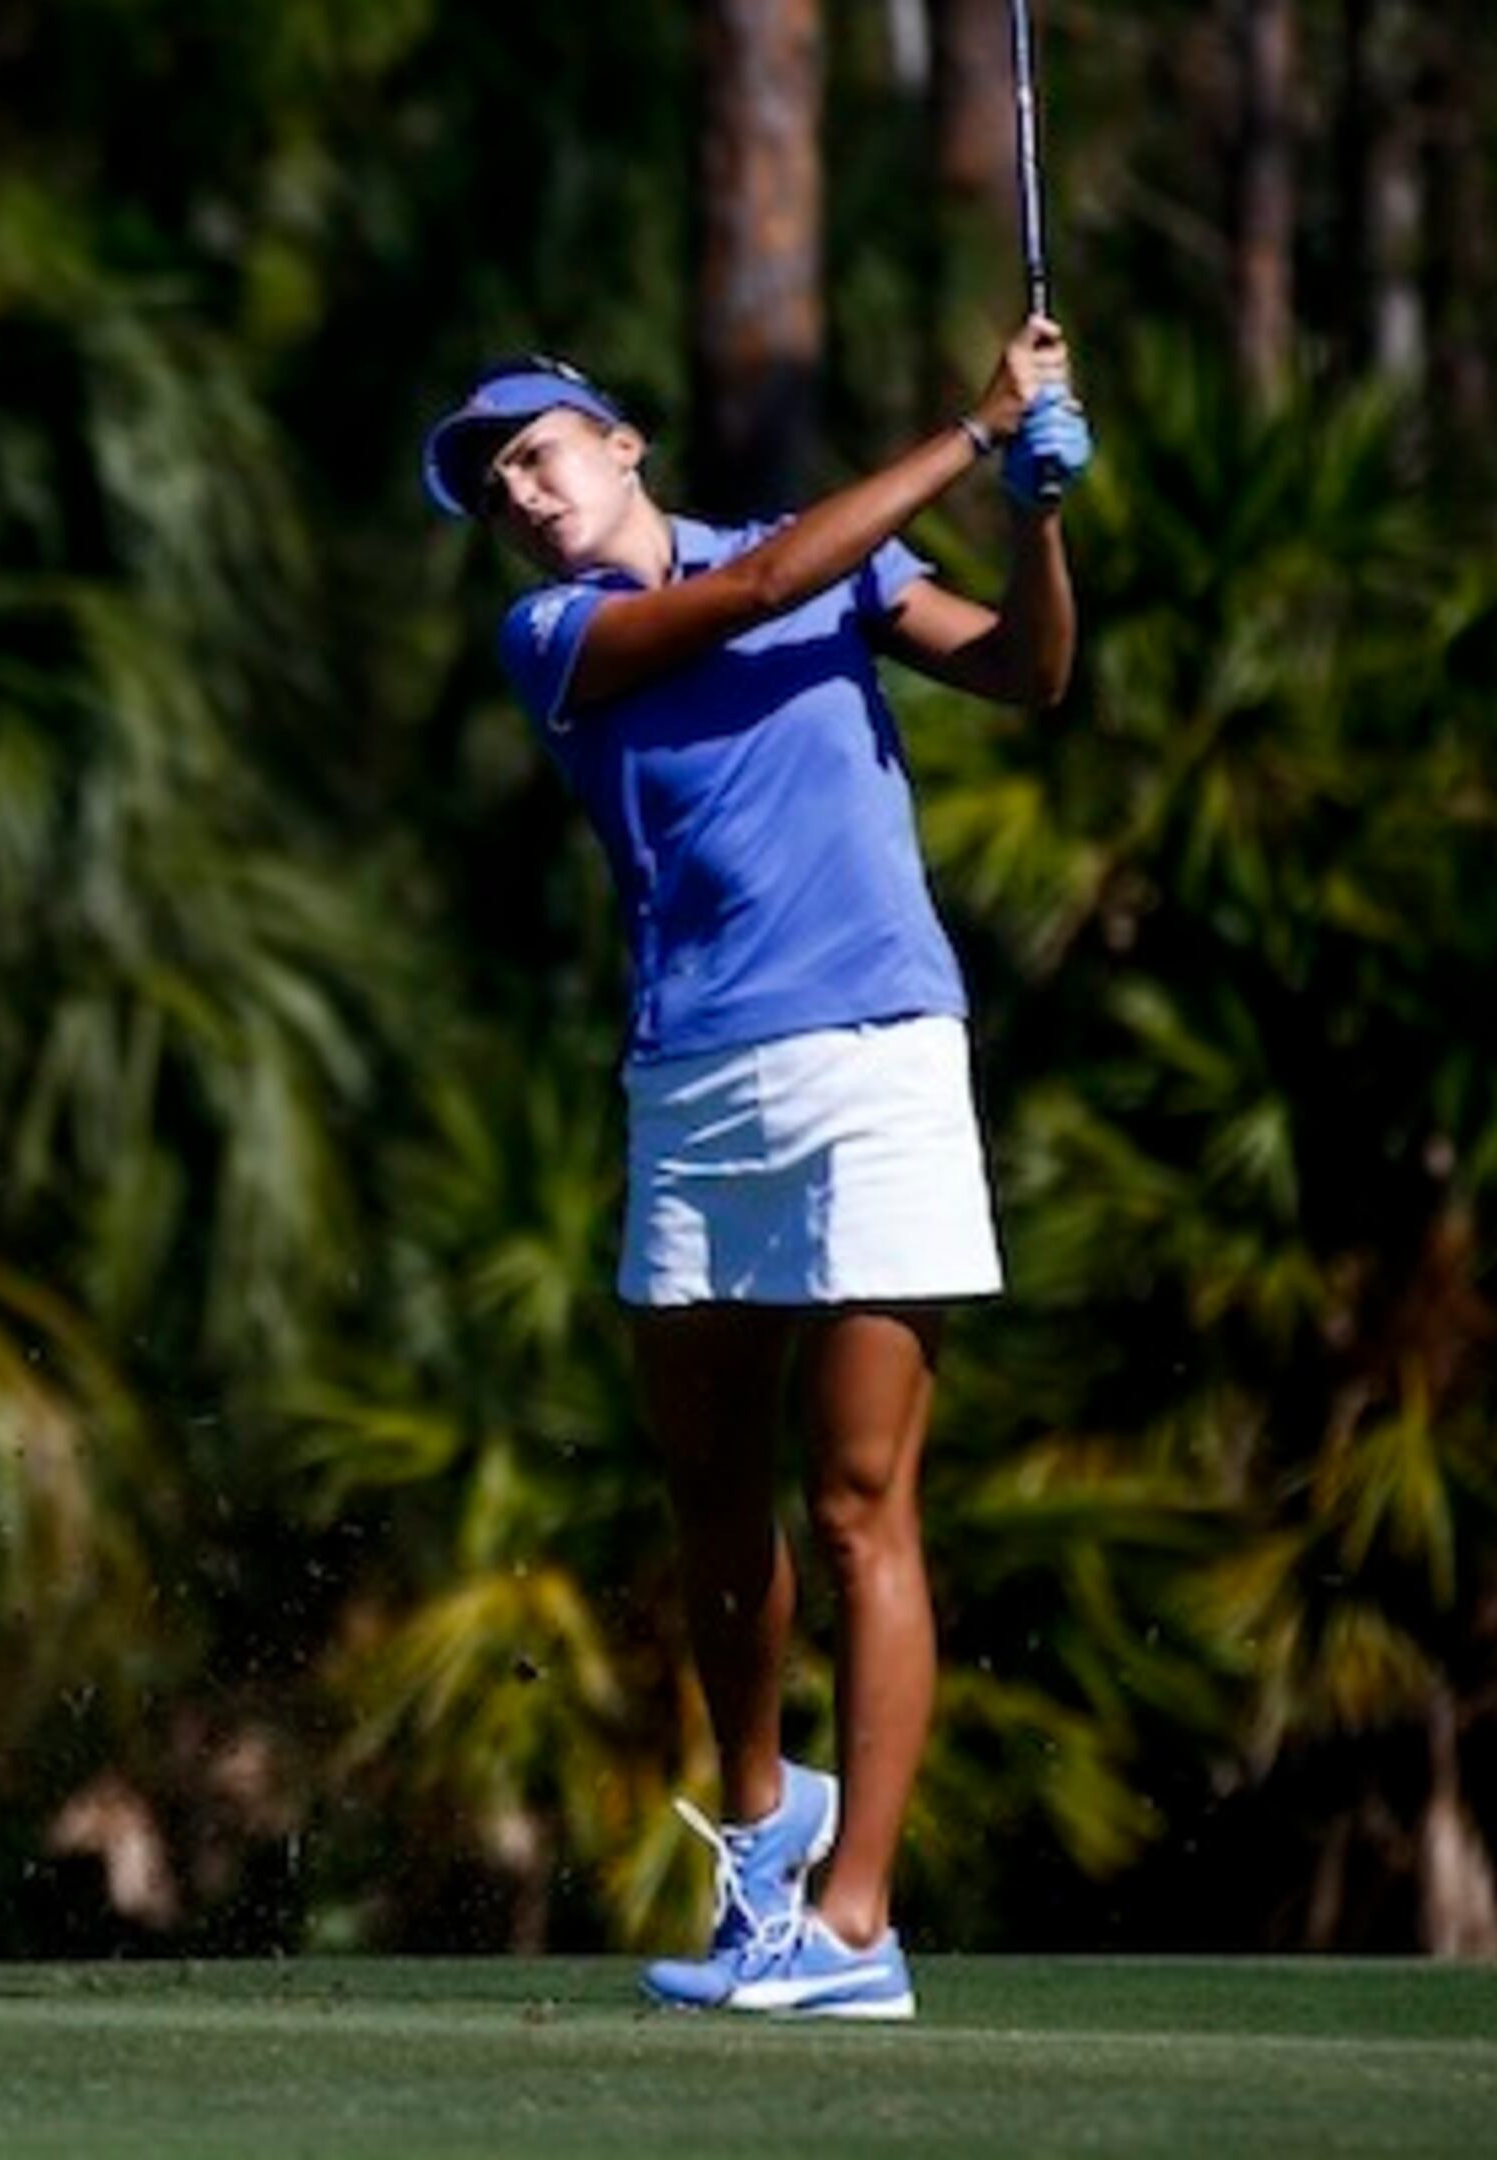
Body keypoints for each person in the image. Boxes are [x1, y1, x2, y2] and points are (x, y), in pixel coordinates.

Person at [416, 322, 1091, 2020]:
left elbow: (1025, 673)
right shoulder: (554, 634)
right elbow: (757, 586)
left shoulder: (840, 571)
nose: (518, 490)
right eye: (493, 483)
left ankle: (856, 1928)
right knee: (716, 1506)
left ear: (624, 442)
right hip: (694, 1085)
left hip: (878, 1055)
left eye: (536, 449)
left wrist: (1040, 513)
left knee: (860, 1501)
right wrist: (970, 430)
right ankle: (762, 1841)